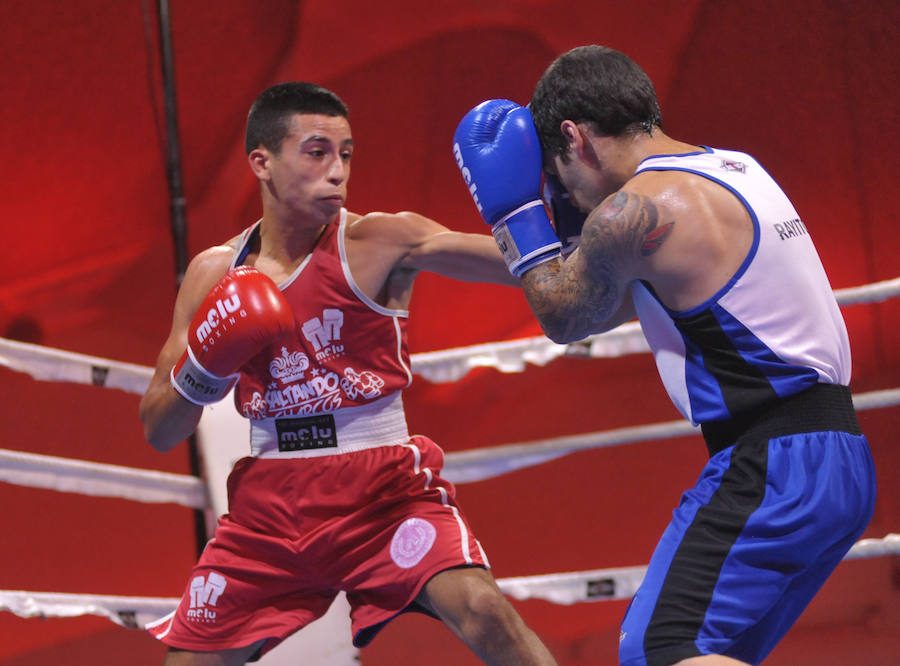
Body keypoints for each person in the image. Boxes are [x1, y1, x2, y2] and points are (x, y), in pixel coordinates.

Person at [452, 45, 876, 666]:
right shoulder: (733, 167)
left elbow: (566, 316)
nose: (566, 193)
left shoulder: (642, 208)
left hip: (773, 461)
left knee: (662, 648)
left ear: (575, 137)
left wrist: (515, 214)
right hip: (833, 454)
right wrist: (438, 247)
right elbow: (617, 295)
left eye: (559, 173)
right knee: (707, 649)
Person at [139, 81, 557, 666]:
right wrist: (204, 365)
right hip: (269, 508)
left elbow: (532, 271)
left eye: (346, 153)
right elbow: (159, 430)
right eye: (316, 152)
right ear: (261, 161)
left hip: (382, 490)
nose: (337, 171)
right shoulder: (214, 273)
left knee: (485, 610)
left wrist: (552, 221)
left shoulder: (380, 240)